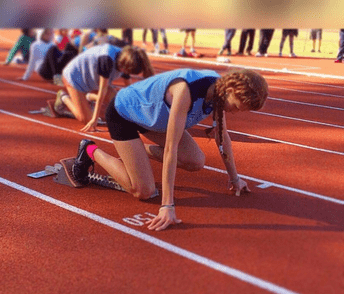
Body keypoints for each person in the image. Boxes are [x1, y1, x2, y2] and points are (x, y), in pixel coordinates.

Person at [70, 68, 268, 231]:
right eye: (237, 106)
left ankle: (135, 154)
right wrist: (167, 205)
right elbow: (170, 150)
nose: (235, 112)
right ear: (231, 89)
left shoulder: (219, 91)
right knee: (144, 191)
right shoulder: (185, 91)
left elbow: (222, 136)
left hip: (153, 120)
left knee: (195, 161)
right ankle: (90, 150)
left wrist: (235, 179)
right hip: (125, 113)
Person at [53, 44, 154, 132]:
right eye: (127, 71)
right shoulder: (107, 59)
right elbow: (102, 90)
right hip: (74, 78)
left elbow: (130, 90)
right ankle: (63, 97)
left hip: (93, 81)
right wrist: (94, 119)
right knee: (87, 119)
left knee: (117, 102)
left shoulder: (126, 59)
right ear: (124, 64)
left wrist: (138, 114)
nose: (125, 73)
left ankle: (88, 97)